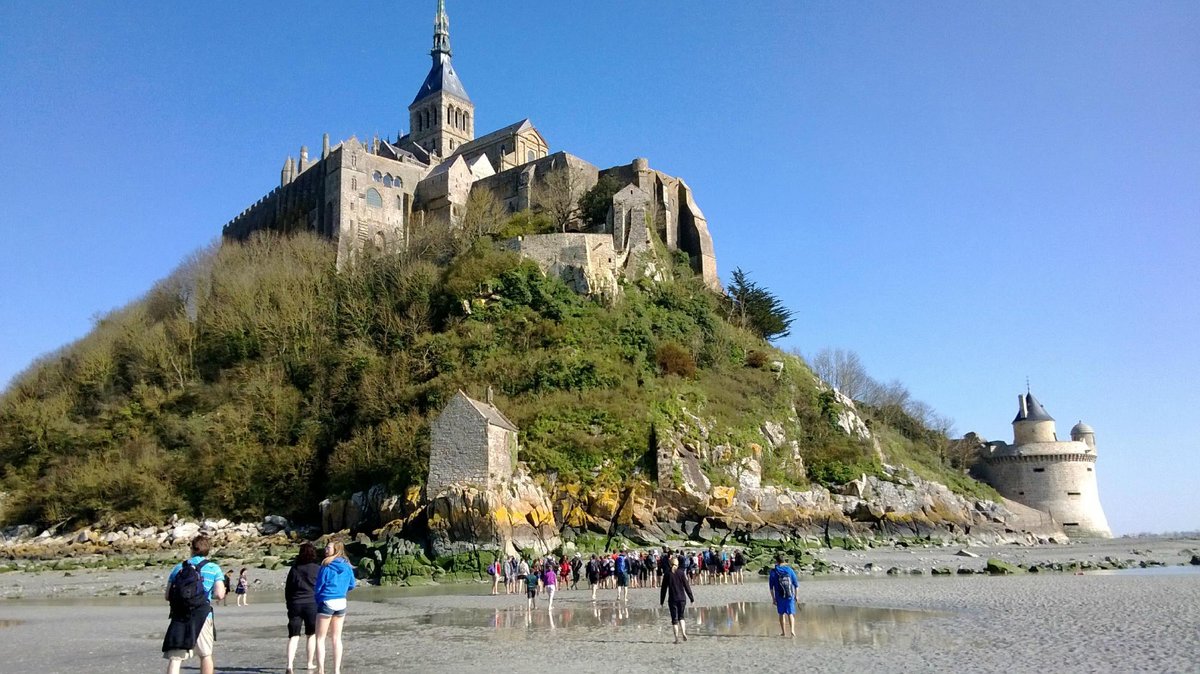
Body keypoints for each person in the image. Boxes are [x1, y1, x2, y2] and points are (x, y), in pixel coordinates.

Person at [162, 535, 226, 674]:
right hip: (203, 614)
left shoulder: (179, 567)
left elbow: (167, 596)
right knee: (205, 655)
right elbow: (220, 594)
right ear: (208, 550)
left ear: (192, 549)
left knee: (175, 658)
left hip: (180, 615)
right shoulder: (213, 568)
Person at [314, 540, 356, 674]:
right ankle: (336, 670)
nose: (326, 549)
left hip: (327, 600)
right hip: (341, 602)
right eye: (326, 547)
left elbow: (319, 586)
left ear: (336, 549)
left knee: (320, 638)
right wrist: (341, 590)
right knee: (336, 638)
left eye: (329, 548)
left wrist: (318, 599)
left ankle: (321, 670)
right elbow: (352, 585)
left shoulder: (326, 565)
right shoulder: (347, 566)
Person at [284, 542, 321, 674]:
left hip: (295, 604)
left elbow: (288, 589)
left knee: (293, 635)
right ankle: (309, 663)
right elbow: (320, 588)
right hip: (312, 604)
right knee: (311, 635)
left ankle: (289, 665)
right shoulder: (317, 568)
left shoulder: (294, 569)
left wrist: (289, 603)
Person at [659, 555, 695, 644]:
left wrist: (662, 601)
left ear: (670, 564)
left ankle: (676, 639)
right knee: (681, 617)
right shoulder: (681, 573)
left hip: (672, 599)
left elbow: (663, 589)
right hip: (682, 598)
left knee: (674, 620)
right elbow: (687, 586)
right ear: (677, 564)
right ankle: (683, 632)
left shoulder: (667, 574)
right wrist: (691, 598)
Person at [768, 553, 800, 638]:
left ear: (776, 561)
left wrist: (773, 598)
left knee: (781, 614)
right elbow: (796, 584)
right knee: (790, 613)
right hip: (789, 594)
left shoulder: (773, 571)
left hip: (779, 595)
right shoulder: (789, 570)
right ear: (784, 561)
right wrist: (796, 596)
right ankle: (792, 630)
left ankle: (783, 632)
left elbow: (771, 587)